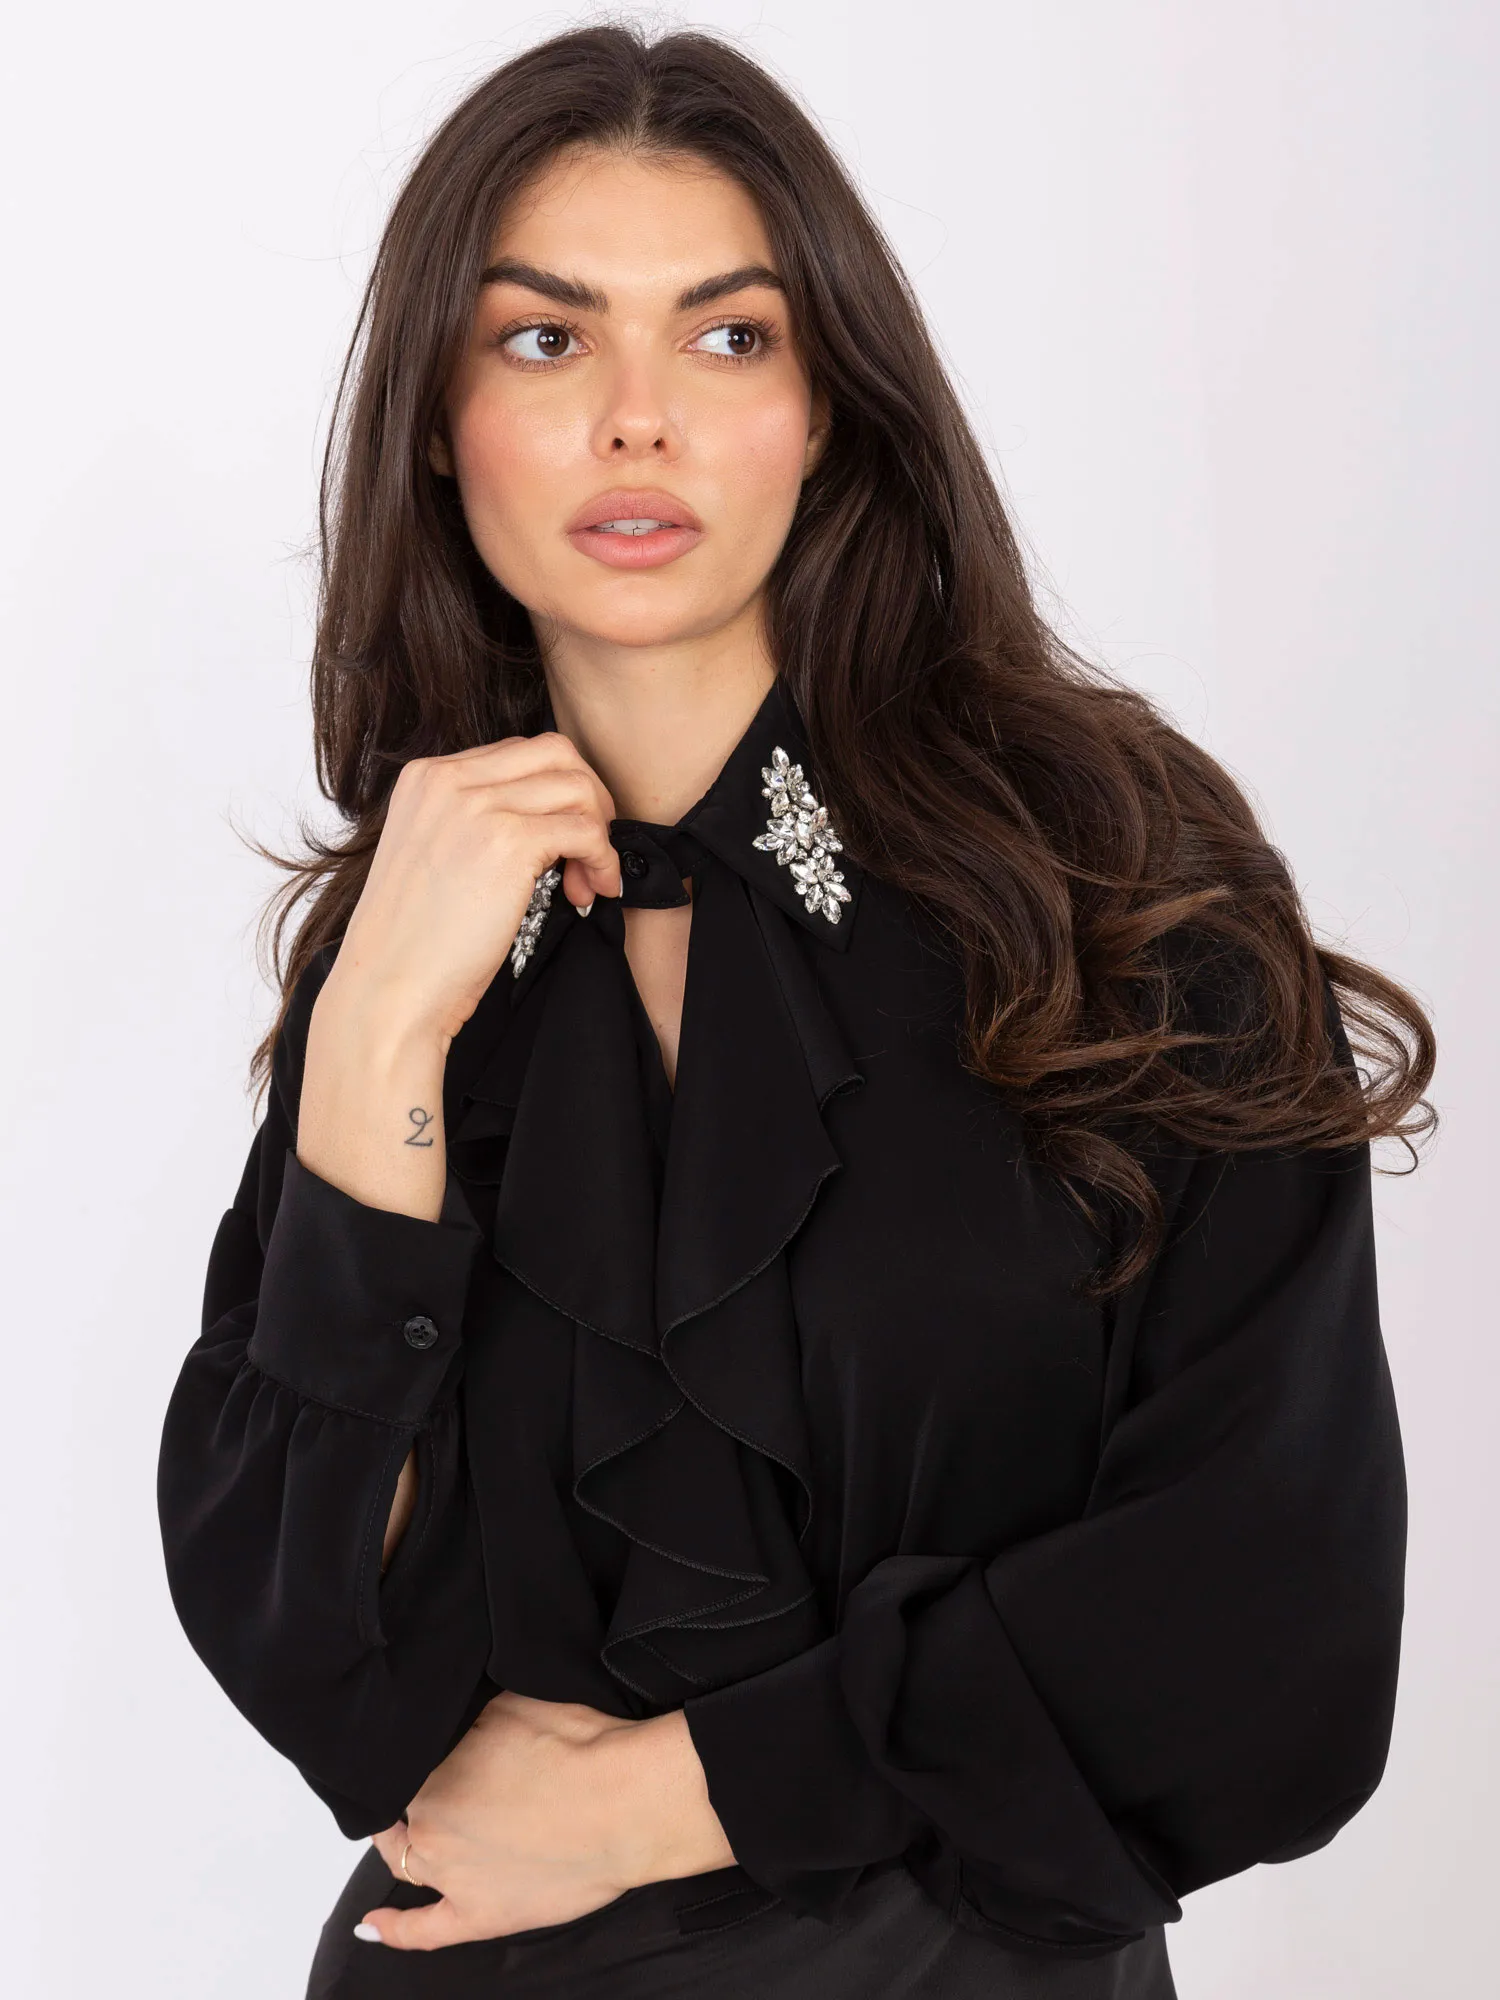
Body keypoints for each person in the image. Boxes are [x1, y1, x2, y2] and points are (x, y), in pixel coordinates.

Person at [155, 23, 1434, 1999]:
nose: (637, 422)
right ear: (436, 420)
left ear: (829, 406)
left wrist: (685, 1794)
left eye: (728, 337)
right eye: (545, 340)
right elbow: (314, 1659)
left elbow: (1280, 1629)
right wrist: (380, 1038)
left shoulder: (1111, 881)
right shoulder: (403, 942)